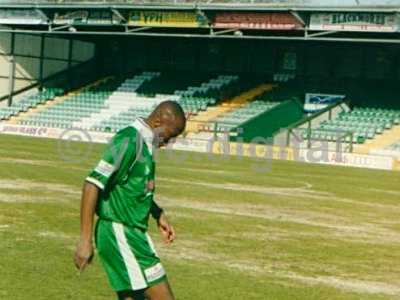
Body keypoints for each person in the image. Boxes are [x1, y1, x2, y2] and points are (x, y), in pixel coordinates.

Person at [74, 101, 186, 300]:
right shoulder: (129, 141)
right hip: (121, 233)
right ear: (159, 120)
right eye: (170, 135)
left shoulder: (145, 144)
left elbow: (133, 188)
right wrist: (85, 240)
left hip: (132, 233)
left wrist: (157, 213)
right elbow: (92, 184)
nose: (169, 142)